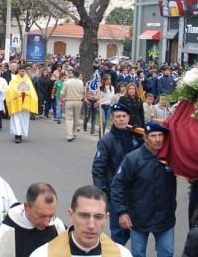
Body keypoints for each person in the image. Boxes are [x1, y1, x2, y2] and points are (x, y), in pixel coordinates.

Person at [111, 122, 176, 257]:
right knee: (138, 254)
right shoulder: (132, 159)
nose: (158, 139)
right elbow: (118, 186)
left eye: (160, 135)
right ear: (145, 138)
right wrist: (122, 212)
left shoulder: (171, 158)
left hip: (165, 218)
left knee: (167, 252)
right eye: (153, 136)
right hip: (139, 219)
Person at [29, 185, 132, 257]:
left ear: (106, 218)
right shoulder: (44, 254)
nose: (91, 225)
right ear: (71, 215)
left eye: (98, 216)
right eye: (84, 215)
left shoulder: (122, 254)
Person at [92, 103, 140, 245]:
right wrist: (104, 193)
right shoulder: (107, 140)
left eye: (124, 116)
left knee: (132, 228)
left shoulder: (134, 136)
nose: (121, 119)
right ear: (112, 119)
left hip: (134, 191)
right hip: (115, 192)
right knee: (118, 231)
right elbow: (98, 168)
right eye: (118, 117)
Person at [0, 183, 66, 257]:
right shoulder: (6, 235)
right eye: (41, 216)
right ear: (26, 206)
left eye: (51, 216)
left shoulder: (58, 228)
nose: (47, 223)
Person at [5, 65, 38, 144]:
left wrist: (25, 91)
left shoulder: (28, 80)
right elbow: (11, 90)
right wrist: (20, 91)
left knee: (24, 119)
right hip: (16, 102)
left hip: (25, 102)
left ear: (25, 71)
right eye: (20, 71)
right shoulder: (14, 79)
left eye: (23, 71)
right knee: (16, 119)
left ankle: (21, 134)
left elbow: (31, 90)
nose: (22, 73)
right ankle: (17, 135)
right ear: (18, 71)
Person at [60, 69, 84, 142]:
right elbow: (83, 92)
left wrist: (61, 101)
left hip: (69, 101)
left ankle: (69, 135)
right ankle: (74, 133)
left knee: (69, 118)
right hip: (78, 101)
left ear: (73, 74)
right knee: (76, 118)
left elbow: (62, 93)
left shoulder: (67, 82)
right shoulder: (81, 82)